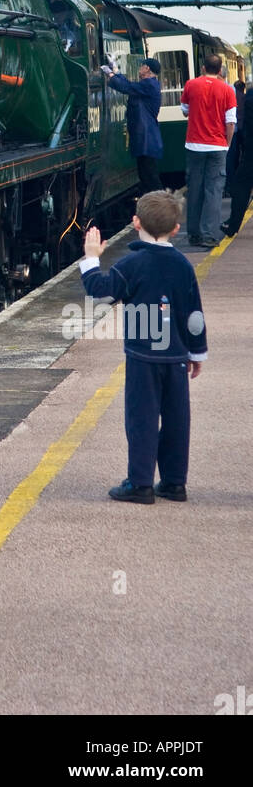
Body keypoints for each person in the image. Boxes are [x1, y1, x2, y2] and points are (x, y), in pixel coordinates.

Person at [80, 191, 207, 504]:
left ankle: (140, 483)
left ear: (136, 223)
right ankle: (175, 482)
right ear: (176, 229)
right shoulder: (183, 266)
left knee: (142, 419)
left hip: (142, 358)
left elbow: (101, 293)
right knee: (177, 419)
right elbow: (194, 313)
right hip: (176, 356)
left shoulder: (132, 263)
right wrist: (196, 352)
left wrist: (92, 258)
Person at [181, 53, 237, 247]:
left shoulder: (191, 85)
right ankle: (209, 235)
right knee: (213, 190)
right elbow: (230, 123)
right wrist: (227, 145)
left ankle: (193, 234)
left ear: (203, 68)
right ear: (220, 70)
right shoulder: (228, 90)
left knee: (195, 189)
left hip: (194, 145)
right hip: (217, 146)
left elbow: (185, 110)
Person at [100, 55, 163, 194]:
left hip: (146, 138)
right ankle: (155, 208)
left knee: (150, 178)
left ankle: (162, 209)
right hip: (145, 138)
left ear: (147, 68)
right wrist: (116, 72)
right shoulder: (147, 85)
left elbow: (126, 87)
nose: (139, 68)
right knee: (146, 177)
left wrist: (110, 73)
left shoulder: (149, 85)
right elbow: (129, 86)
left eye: (141, 66)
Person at [223, 80, 253, 236]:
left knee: (240, 187)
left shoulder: (250, 98)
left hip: (251, 155)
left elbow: (246, 128)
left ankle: (233, 225)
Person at [225, 79, 246, 191]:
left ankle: (229, 185)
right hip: (238, 131)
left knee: (231, 158)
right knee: (236, 157)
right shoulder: (244, 97)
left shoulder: (233, 94)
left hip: (232, 131)